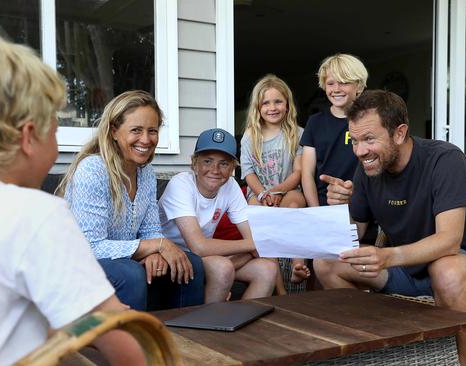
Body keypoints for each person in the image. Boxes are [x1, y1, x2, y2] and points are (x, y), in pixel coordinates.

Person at [0, 33, 143, 365]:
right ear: (28, 137)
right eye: (55, 128)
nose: (57, 139)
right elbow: (125, 347)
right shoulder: (34, 213)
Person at [315, 90, 466, 366]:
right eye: (354, 141)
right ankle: (374, 351)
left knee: (445, 270)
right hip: (408, 270)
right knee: (327, 263)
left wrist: (387, 257)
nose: (360, 151)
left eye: (369, 139)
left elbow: (449, 241)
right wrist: (339, 206)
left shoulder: (444, 159)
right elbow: (354, 231)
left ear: (400, 133)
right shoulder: (369, 167)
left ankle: (463, 363)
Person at [58, 90, 203, 311]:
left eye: (152, 131)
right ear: (114, 131)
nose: (146, 140)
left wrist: (155, 251)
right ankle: (135, 343)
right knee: (131, 273)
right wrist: (156, 246)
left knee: (190, 264)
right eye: (136, 130)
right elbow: (89, 246)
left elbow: (152, 229)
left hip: (122, 260)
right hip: (76, 265)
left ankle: (184, 340)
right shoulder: (93, 169)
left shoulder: (146, 173)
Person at [158, 128, 278, 303]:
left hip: (205, 257)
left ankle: (241, 323)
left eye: (223, 163)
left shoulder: (230, 186)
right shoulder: (180, 184)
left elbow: (253, 240)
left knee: (267, 269)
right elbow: (199, 246)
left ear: (232, 169)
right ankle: (209, 327)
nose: (215, 169)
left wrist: (255, 247)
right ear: (194, 164)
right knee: (223, 267)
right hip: (171, 256)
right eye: (207, 161)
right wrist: (252, 246)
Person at [240, 74, 310, 287]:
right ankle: (279, 289)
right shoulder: (250, 135)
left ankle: (298, 265)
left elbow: (298, 171)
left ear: (287, 105)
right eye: (266, 103)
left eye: (278, 101)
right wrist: (263, 193)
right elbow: (248, 172)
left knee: (296, 203)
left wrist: (278, 191)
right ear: (258, 107)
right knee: (257, 217)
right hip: (259, 193)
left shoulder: (297, 134)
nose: (272, 107)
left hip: (288, 189)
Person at [300, 53, 368, 208]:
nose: (336, 89)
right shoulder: (315, 122)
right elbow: (307, 174)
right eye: (330, 83)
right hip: (324, 206)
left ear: (359, 86)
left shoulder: (369, 121)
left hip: (362, 205)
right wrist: (316, 211)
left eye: (343, 82)